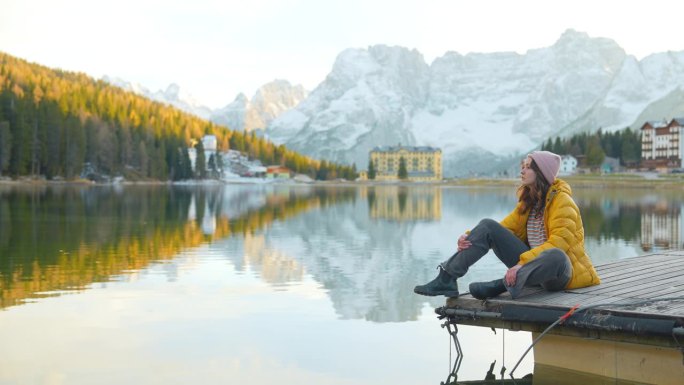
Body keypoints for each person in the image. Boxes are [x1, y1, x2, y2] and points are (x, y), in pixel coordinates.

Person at [414, 151, 601, 300]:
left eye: (528, 167)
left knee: (556, 255)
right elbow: (505, 228)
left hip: (559, 276)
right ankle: (447, 278)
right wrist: (469, 237)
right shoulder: (530, 201)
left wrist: (522, 263)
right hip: (530, 271)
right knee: (488, 226)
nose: (522, 170)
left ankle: (501, 285)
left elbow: (559, 242)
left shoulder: (562, 201)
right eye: (523, 166)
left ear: (542, 173)